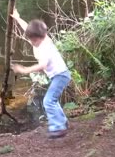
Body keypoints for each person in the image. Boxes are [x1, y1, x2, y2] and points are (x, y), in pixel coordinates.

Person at [10, 9, 71, 139]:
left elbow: (42, 66)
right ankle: (62, 122)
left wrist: (24, 70)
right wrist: (17, 18)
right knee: (53, 100)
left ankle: (58, 128)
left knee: (48, 101)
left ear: (39, 38)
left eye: (33, 40)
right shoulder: (39, 36)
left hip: (61, 75)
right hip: (58, 75)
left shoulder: (45, 48)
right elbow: (26, 27)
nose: (31, 42)